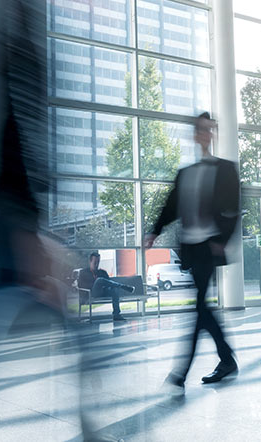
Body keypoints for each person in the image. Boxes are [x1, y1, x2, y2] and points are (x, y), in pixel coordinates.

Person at [145, 112, 240, 394]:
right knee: (202, 308)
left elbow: (233, 209)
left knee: (199, 307)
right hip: (191, 247)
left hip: (209, 246)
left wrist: (222, 239)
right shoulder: (185, 174)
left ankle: (180, 373)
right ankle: (226, 359)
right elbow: (170, 206)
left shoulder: (225, 170)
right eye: (200, 130)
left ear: (213, 134)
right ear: (195, 135)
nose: (205, 135)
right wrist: (154, 231)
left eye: (209, 130)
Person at [76, 252, 125, 321]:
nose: (97, 265)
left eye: (98, 262)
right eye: (95, 262)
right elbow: (80, 285)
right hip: (90, 293)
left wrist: (103, 286)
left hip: (102, 292)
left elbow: (109, 283)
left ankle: (116, 314)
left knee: (114, 289)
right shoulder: (83, 272)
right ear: (90, 261)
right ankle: (122, 286)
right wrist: (95, 284)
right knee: (99, 280)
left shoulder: (102, 272)